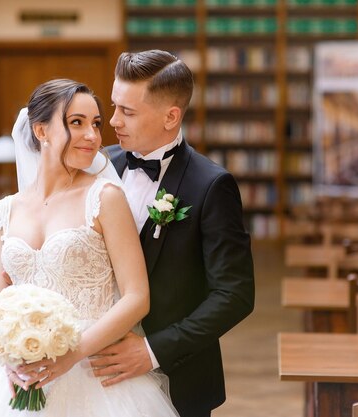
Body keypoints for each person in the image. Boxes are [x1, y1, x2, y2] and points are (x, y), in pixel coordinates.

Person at [0, 78, 180, 416]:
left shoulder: (105, 197)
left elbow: (137, 297)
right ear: (41, 130)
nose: (92, 135)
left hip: (96, 372)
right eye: (77, 123)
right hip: (24, 375)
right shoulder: (3, 213)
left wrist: (71, 356)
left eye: (96, 124)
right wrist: (9, 361)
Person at [90, 50, 255, 417]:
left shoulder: (212, 185)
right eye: (114, 106)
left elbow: (235, 294)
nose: (113, 121)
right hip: (93, 372)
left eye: (128, 111)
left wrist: (152, 351)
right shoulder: (98, 166)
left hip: (177, 376)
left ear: (171, 116)